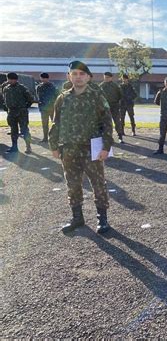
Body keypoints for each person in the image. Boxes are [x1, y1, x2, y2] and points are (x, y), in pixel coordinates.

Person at [49, 61, 114, 234]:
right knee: (73, 184)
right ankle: (77, 218)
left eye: (82, 74)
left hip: (91, 148)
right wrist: (54, 145)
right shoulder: (63, 98)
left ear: (88, 77)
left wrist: (106, 147)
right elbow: (56, 123)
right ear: (69, 76)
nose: (78, 77)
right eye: (75, 74)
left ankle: (102, 219)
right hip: (69, 149)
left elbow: (107, 124)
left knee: (98, 183)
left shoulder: (97, 96)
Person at [2, 72, 33, 154]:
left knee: (24, 130)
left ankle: (28, 147)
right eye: (9, 79)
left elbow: (30, 99)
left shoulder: (22, 88)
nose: (11, 81)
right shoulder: (6, 88)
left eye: (12, 79)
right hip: (11, 112)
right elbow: (4, 99)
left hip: (21, 112)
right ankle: (14, 147)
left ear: (16, 79)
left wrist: (24, 107)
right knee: (13, 130)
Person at [100, 72, 124, 143]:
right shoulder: (101, 86)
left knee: (117, 122)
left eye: (107, 77)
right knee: (106, 123)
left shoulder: (115, 86)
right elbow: (98, 96)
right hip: (105, 107)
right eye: (105, 77)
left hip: (115, 106)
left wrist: (119, 104)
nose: (106, 79)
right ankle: (108, 137)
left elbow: (121, 95)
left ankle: (120, 136)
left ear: (111, 78)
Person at [36, 72, 58, 143]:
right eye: (42, 78)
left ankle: (55, 138)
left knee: (54, 124)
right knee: (44, 124)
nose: (43, 79)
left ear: (48, 78)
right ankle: (45, 138)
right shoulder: (39, 87)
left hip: (52, 108)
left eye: (45, 78)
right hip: (43, 109)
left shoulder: (52, 87)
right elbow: (38, 97)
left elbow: (56, 96)